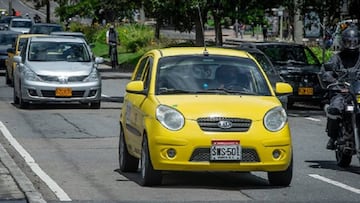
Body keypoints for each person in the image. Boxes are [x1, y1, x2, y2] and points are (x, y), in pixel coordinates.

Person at [321, 25, 360, 150]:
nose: (351, 45)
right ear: (343, 42)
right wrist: (333, 80)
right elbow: (326, 71)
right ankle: (333, 137)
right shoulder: (337, 58)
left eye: (354, 42)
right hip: (341, 92)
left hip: (358, 92)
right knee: (335, 108)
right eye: (348, 42)